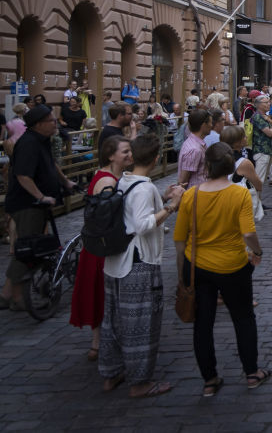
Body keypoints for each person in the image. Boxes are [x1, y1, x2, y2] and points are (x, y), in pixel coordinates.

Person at [173, 144, 271, 396]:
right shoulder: (238, 194)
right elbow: (248, 232)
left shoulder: (190, 195)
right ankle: (251, 372)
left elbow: (180, 239)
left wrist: (182, 272)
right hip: (232, 265)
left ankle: (210, 379)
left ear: (207, 166)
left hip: (198, 266)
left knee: (203, 324)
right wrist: (257, 252)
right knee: (243, 318)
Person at [100, 134, 183, 398]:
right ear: (157, 158)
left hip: (116, 261)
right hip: (138, 263)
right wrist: (171, 206)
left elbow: (133, 209)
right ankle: (139, 382)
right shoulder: (143, 187)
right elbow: (143, 224)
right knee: (140, 325)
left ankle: (111, 373)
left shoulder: (124, 181)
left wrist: (161, 195)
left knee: (113, 321)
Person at [0, 106, 78, 310]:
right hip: (27, 205)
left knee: (29, 248)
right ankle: (15, 296)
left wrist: (65, 182)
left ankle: (8, 293)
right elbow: (23, 176)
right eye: (51, 120)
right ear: (39, 124)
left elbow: (50, 164)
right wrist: (41, 196)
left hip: (36, 204)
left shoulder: (41, 141)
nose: (55, 123)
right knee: (27, 250)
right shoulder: (28, 143)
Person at [71, 136, 131, 363]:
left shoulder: (111, 176)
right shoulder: (108, 182)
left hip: (98, 246)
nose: (129, 155)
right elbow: (108, 221)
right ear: (110, 155)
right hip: (103, 248)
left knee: (99, 294)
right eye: (125, 151)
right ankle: (100, 344)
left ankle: (98, 343)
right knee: (101, 294)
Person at [220, 126, 264, 223]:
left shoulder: (218, 158)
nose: (246, 137)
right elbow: (258, 185)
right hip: (238, 203)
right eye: (244, 136)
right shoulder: (244, 163)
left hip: (221, 202)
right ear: (237, 142)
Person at [177, 109, 211, 189]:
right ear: (203, 125)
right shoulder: (194, 149)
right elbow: (183, 181)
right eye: (210, 122)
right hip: (195, 196)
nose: (211, 125)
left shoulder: (195, 143)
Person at [250, 96, 272, 187]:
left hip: (268, 151)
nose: (269, 104)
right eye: (266, 102)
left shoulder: (266, 116)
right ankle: (254, 200)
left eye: (268, 102)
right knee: (259, 179)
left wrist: (271, 121)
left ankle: (258, 200)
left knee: (262, 179)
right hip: (261, 151)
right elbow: (270, 133)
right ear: (259, 105)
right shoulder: (258, 116)